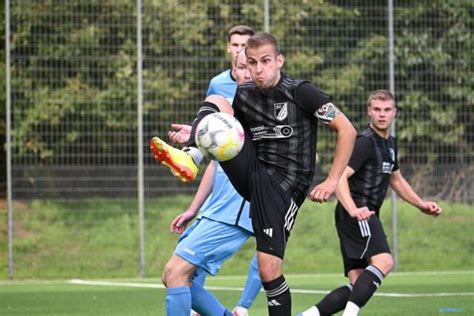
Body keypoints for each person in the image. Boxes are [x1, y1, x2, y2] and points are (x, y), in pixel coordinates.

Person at [151, 32, 357, 315]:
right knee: (218, 101)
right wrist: (199, 132)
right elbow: (230, 132)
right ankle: (191, 155)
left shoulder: (302, 92)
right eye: (252, 63)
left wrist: (332, 180)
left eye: (265, 61)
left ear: (279, 61)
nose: (258, 69)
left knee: (268, 269)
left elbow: (347, 130)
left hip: (284, 187)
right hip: (254, 173)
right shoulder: (245, 95)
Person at [297, 89, 443, 316]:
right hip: (357, 212)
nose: (382, 114)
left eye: (387, 110)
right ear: (369, 112)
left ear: (394, 112)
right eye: (377, 109)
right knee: (385, 261)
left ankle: (308, 315)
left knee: (357, 284)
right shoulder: (364, 142)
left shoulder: (390, 144)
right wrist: (354, 209)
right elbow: (340, 178)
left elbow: (396, 178)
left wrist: (421, 204)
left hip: (358, 214)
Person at [161, 49, 262, 315]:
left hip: (236, 212)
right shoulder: (233, 110)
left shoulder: (265, 111)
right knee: (176, 277)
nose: (245, 72)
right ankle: (191, 155)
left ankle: (190, 154)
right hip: (214, 209)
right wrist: (194, 209)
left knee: (175, 272)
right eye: (240, 67)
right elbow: (217, 164)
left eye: (251, 65)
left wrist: (198, 133)